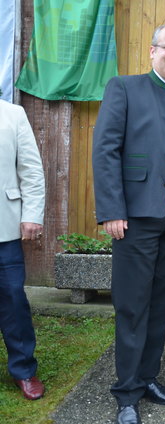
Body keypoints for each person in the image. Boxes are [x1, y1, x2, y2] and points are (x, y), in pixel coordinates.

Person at [92, 23, 165, 424]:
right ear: (152, 51)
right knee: (132, 306)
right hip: (135, 217)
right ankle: (126, 394)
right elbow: (106, 149)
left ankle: (147, 377)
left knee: (160, 306)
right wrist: (111, 209)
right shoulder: (124, 88)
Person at [0, 99, 46, 401]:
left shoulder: (13, 114)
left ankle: (24, 369)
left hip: (4, 226)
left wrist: (31, 214)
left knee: (14, 299)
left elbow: (30, 169)